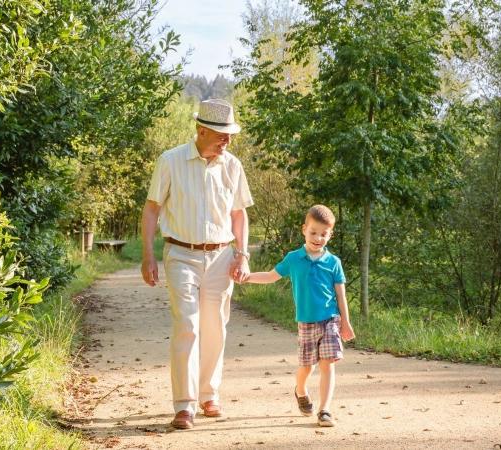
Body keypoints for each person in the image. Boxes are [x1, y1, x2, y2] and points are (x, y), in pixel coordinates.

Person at [140, 98, 253, 430]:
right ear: (201, 131)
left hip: (221, 256)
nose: (227, 141)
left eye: (230, 135)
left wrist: (242, 253)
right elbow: (151, 209)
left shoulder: (232, 165)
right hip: (180, 254)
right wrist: (148, 254)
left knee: (215, 326)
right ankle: (184, 404)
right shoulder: (171, 161)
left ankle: (208, 394)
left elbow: (238, 214)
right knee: (187, 325)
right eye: (221, 135)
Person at [243, 204, 354, 427]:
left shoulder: (334, 263)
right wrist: (247, 277)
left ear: (330, 235)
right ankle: (300, 390)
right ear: (304, 229)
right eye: (313, 232)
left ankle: (324, 410)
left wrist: (346, 323)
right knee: (306, 367)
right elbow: (271, 276)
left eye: (324, 234)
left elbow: (341, 296)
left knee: (328, 364)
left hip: (330, 320)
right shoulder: (294, 259)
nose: (318, 238)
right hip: (306, 322)